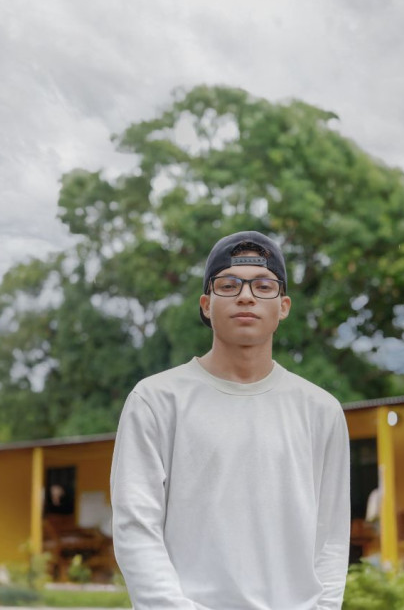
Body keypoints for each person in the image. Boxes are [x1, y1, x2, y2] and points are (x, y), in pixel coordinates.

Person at [110, 231, 351, 609]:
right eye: (229, 285)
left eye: (263, 286)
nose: (246, 296)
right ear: (206, 304)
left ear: (284, 306)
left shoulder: (321, 411)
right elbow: (136, 528)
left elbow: (332, 537)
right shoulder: (156, 401)